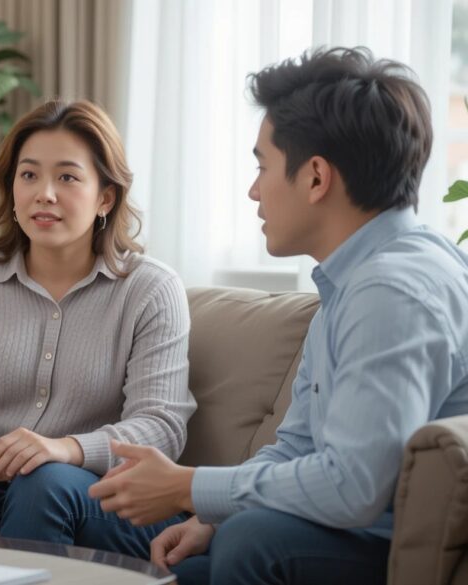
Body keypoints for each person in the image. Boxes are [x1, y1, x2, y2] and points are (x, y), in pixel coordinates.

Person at [88, 47, 468, 585]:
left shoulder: (392, 292)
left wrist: (185, 486)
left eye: (262, 166)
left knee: (254, 541)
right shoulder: (350, 278)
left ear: (316, 178)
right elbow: (298, 446)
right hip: (343, 532)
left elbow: (355, 487)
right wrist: (209, 518)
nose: (253, 189)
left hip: (390, 546)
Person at [0, 99, 196, 555]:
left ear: (105, 198)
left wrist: (67, 450)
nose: (44, 194)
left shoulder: (151, 289)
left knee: (44, 482)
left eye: (68, 178)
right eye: (29, 175)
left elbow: (161, 427)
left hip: (93, 496)